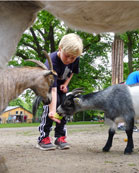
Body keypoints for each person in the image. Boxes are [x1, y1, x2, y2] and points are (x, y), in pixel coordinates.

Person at [36, 33, 83, 150]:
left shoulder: (75, 58)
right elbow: (52, 89)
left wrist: (66, 84)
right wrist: (52, 110)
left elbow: (72, 72)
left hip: (59, 85)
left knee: (64, 107)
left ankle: (60, 137)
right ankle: (43, 138)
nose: (69, 60)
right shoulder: (52, 63)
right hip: (46, 86)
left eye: (73, 58)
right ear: (60, 48)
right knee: (50, 108)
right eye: (67, 56)